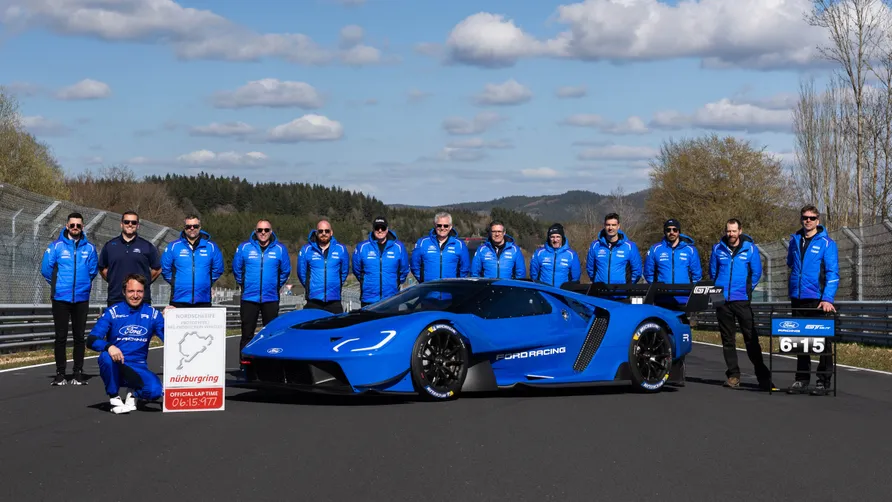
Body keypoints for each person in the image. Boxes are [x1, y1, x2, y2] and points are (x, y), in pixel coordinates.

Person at [87, 274, 167, 414]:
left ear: (144, 292)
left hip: (138, 366)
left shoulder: (153, 314)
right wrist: (109, 346)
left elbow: (170, 338)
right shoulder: (112, 312)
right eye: (131, 291)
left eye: (139, 291)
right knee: (105, 357)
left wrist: (174, 318)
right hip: (117, 363)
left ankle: (134, 393)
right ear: (124, 292)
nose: (135, 295)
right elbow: (91, 339)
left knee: (155, 391)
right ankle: (114, 398)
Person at [709, 218, 773, 390]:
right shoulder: (717, 249)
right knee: (727, 340)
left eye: (734, 231)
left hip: (741, 300)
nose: (731, 234)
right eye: (728, 231)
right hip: (722, 301)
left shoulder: (750, 248)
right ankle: (733, 375)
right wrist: (717, 297)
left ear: (740, 231)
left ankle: (763, 376)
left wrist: (747, 291)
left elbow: (756, 272)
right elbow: (713, 273)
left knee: (751, 339)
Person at [786, 205, 840, 396]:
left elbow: (833, 273)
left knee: (822, 341)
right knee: (801, 340)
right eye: (804, 217)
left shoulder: (827, 243)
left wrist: (827, 298)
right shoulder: (795, 240)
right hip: (798, 297)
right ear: (801, 219)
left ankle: (823, 382)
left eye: (811, 217)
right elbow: (791, 264)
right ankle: (801, 380)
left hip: (817, 299)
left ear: (818, 220)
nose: (807, 220)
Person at [40, 212, 99, 386]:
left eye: (78, 225)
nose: (75, 228)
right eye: (72, 225)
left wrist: (83, 284)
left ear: (82, 227)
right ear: (67, 226)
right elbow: (46, 269)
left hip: (81, 298)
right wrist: (58, 284)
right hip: (60, 298)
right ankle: (60, 373)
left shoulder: (89, 248)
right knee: (61, 337)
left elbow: (93, 270)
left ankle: (78, 372)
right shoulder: (56, 246)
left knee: (80, 336)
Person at [232, 219, 292, 358]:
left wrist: (275, 285)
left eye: (266, 230)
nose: (263, 233)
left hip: (271, 297)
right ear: (255, 231)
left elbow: (285, 271)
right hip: (249, 297)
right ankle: (244, 363)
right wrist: (245, 285)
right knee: (247, 333)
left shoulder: (280, 249)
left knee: (271, 334)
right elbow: (237, 269)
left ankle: (269, 363)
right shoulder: (244, 247)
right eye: (260, 230)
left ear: (271, 232)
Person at [98, 211, 162, 306]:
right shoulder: (110, 245)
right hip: (116, 298)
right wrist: (113, 280)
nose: (130, 224)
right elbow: (102, 268)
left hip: (141, 299)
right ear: (121, 224)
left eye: (134, 222)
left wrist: (143, 282)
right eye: (127, 222)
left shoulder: (147, 246)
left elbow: (157, 269)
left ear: (138, 225)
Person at [160, 215, 225, 308]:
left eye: (195, 226)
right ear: (184, 228)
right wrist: (176, 282)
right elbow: (165, 268)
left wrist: (207, 282)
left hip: (203, 299)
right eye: (188, 226)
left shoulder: (211, 246)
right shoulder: (173, 246)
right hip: (179, 299)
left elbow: (218, 269)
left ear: (200, 227)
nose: (192, 228)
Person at [352, 216, 410, 307]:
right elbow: (356, 269)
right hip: (369, 299)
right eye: (377, 228)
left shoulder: (398, 247)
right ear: (373, 229)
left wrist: (397, 282)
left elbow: (404, 269)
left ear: (387, 229)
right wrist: (366, 281)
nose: (380, 230)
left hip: (392, 298)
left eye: (382, 228)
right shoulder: (362, 247)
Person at [643, 218, 703, 305]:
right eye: (668, 230)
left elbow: (696, 274)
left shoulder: (690, 250)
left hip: (684, 297)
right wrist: (657, 288)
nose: (672, 232)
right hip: (662, 297)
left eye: (675, 230)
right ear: (664, 231)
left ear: (679, 231)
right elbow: (648, 272)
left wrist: (691, 291)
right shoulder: (655, 249)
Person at [297, 219, 350, 313]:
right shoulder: (306, 249)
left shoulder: (341, 249)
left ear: (331, 232)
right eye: (320, 231)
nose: (324, 233)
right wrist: (309, 287)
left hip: (334, 300)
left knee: (336, 327)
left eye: (327, 231)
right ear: (316, 233)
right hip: (314, 300)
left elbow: (344, 272)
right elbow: (301, 273)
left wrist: (335, 285)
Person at [410, 212, 470, 283]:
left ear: (450, 227)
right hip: (429, 290)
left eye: (445, 226)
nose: (442, 228)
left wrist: (457, 283)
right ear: (435, 226)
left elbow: (465, 268)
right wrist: (423, 281)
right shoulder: (422, 243)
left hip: (451, 290)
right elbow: (414, 265)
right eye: (439, 225)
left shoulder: (459, 245)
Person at [586, 213, 642, 285]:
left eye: (613, 225)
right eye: (608, 225)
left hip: (621, 293)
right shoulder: (595, 246)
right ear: (604, 226)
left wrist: (628, 286)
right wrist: (597, 282)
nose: (610, 228)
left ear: (618, 226)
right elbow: (590, 268)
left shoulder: (630, 246)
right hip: (600, 292)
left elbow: (637, 271)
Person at [529, 223, 581, 287]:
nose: (555, 240)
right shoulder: (539, 253)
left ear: (562, 237)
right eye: (552, 237)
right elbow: (533, 275)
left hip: (562, 293)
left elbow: (575, 278)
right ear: (549, 238)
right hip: (544, 292)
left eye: (558, 237)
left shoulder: (571, 255)